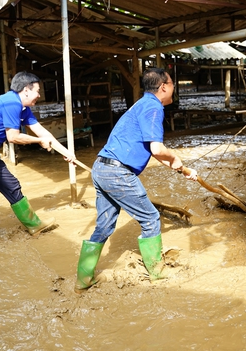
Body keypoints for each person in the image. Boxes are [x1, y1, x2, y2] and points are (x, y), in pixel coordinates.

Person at [75, 68, 198, 293]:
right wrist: (175, 157)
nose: (173, 88)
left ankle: (83, 279)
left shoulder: (141, 104)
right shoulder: (154, 107)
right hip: (118, 173)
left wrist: (183, 170)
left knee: (104, 225)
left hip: (102, 168)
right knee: (151, 218)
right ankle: (159, 276)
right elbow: (158, 149)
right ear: (164, 87)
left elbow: (154, 153)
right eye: (172, 84)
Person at [0, 71, 73, 249]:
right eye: (37, 91)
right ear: (26, 90)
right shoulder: (12, 103)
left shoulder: (23, 108)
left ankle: (34, 225)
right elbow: (13, 137)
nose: (39, 95)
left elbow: (42, 132)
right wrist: (38, 142)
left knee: (12, 186)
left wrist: (66, 152)